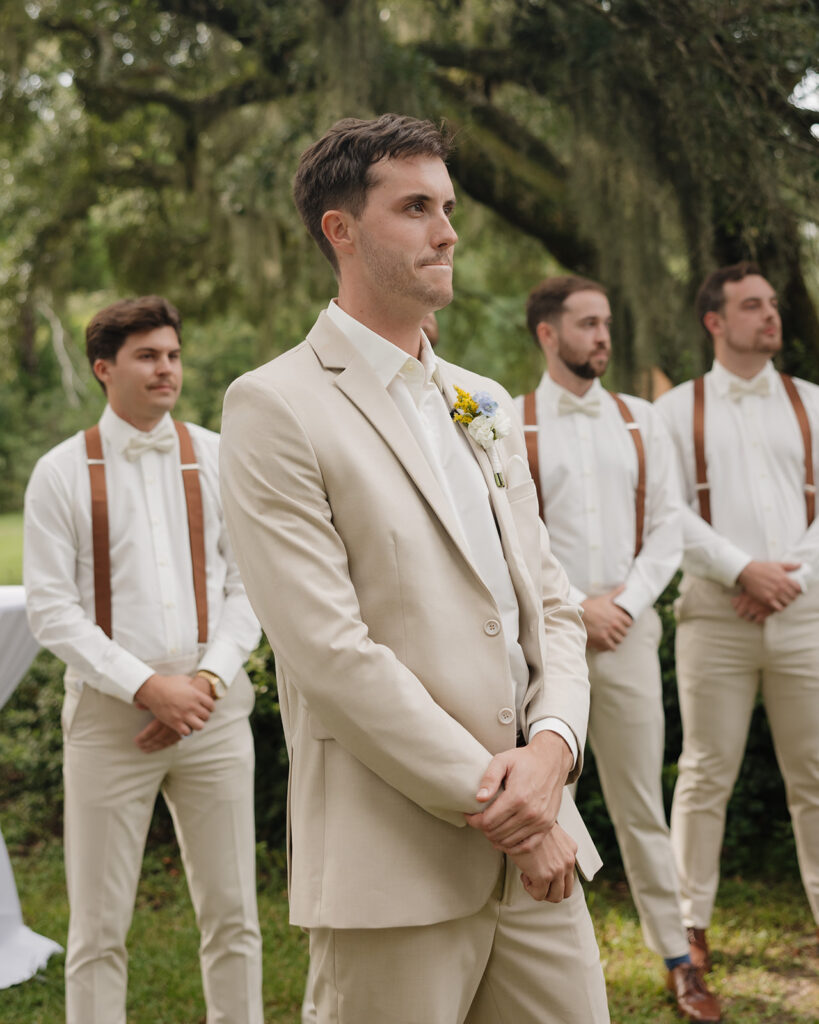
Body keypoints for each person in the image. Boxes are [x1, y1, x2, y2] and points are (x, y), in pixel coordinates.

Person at [219, 113, 610, 1024]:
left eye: (448, 206)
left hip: (541, 847)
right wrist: (510, 810)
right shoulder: (273, 405)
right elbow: (329, 653)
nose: (448, 231)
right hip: (392, 859)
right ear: (340, 230)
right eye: (416, 208)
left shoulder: (481, 400)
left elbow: (549, 607)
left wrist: (551, 753)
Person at [23, 296, 263, 1024]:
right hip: (107, 722)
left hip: (214, 716)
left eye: (172, 355)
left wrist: (206, 681)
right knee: (97, 928)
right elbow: (51, 608)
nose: (167, 369)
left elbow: (247, 582)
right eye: (147, 356)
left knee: (234, 914)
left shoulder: (218, 455)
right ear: (104, 369)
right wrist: (147, 688)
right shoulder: (60, 473)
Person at [517, 275, 721, 1021]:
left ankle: (678, 960)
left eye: (606, 323)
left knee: (642, 804)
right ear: (548, 334)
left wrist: (623, 606)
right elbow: (512, 537)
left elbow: (668, 525)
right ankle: (546, 962)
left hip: (629, 632)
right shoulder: (510, 420)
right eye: (587, 324)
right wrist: (577, 607)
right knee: (546, 802)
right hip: (547, 637)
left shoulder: (640, 419)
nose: (602, 336)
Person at [655, 262, 819, 971]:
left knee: (814, 774)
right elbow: (663, 510)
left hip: (807, 615)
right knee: (703, 772)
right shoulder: (672, 411)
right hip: (712, 618)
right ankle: (688, 929)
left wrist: (788, 577)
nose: (770, 315)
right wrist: (739, 570)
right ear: (714, 322)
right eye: (752, 306)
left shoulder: (812, 401)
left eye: (772, 304)